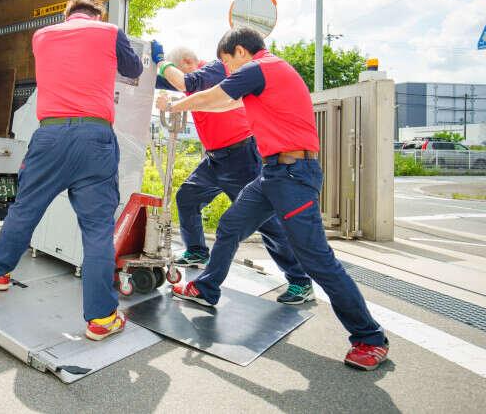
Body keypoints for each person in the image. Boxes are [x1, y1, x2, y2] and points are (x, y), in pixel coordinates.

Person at [156, 27, 389, 371]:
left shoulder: (261, 67)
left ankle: (369, 338)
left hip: (293, 173)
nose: (229, 70)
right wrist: (185, 104)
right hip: (272, 172)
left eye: (227, 63)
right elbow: (225, 104)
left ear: (239, 51)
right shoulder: (264, 73)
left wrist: (178, 104)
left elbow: (217, 95)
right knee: (231, 224)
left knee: (318, 260)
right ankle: (207, 289)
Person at [0, 0, 143, 341]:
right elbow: (133, 71)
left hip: (51, 136)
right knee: (97, 229)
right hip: (95, 138)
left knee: (25, 209)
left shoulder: (41, 36)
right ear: (98, 15)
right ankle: (102, 319)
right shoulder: (110, 31)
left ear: (67, 14)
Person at [154, 46, 314, 304]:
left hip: (240, 156)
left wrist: (161, 62)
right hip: (214, 159)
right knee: (187, 197)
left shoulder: (216, 68)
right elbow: (169, 80)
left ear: (187, 61)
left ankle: (300, 280)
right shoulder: (196, 77)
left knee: (265, 223)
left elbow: (186, 81)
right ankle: (197, 250)